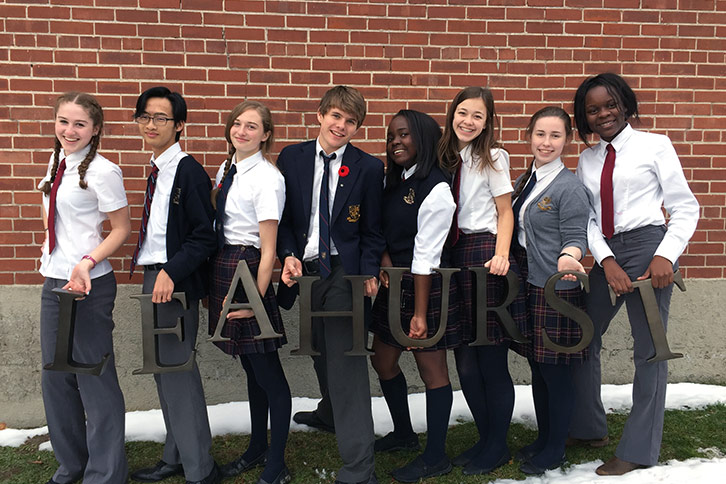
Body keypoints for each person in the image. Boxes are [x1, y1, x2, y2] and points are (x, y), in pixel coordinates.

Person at [569, 73, 699, 476]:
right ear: (584, 118)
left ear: (625, 103)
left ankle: (639, 450)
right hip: (607, 251)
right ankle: (590, 428)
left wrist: (666, 255)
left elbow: (685, 206)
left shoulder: (655, 145)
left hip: (649, 248)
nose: (603, 114)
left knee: (649, 351)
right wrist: (605, 262)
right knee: (583, 336)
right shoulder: (587, 159)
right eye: (593, 110)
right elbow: (587, 217)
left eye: (610, 104)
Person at [276, 85, 385, 484]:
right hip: (303, 270)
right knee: (319, 348)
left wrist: (368, 271)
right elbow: (285, 218)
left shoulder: (369, 168)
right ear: (321, 114)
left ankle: (359, 468)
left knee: (346, 363)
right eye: (336, 116)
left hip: (344, 270)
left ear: (357, 128)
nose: (341, 125)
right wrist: (287, 252)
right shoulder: (292, 157)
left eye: (351, 121)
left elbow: (373, 232)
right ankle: (330, 413)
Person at [128, 86, 219, 484]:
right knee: (164, 373)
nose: (151, 124)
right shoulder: (156, 169)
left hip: (173, 281)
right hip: (155, 277)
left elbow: (205, 234)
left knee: (179, 374)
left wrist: (171, 272)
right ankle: (175, 457)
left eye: (160, 118)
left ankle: (202, 470)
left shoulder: (189, 171)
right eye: (145, 116)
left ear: (179, 125)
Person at [39, 92, 131, 484]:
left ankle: (105, 474)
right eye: (63, 121)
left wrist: (87, 261)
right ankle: (71, 464)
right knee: (55, 377)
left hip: (90, 284)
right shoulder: (57, 160)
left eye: (79, 124)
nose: (69, 130)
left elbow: (122, 229)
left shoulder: (104, 171)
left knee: (94, 378)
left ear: (95, 129)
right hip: (55, 280)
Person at [438, 86, 525, 475]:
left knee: (490, 356)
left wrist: (502, 254)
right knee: (465, 358)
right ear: (452, 113)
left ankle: (497, 445)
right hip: (452, 257)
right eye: (463, 112)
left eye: (478, 116)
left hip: (484, 254)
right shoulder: (442, 157)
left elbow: (505, 212)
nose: (468, 121)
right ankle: (485, 438)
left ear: (488, 122)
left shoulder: (493, 158)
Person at [369, 110, 457, 482]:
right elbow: (382, 232)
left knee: (431, 370)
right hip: (394, 285)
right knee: (383, 362)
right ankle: (404, 434)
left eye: (404, 135)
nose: (396, 142)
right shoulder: (393, 181)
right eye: (391, 137)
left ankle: (436, 455)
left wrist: (420, 314)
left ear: (423, 137)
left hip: (426, 287)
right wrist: (386, 260)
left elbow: (426, 255)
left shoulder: (436, 187)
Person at [208, 101, 292, 484]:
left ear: (266, 134)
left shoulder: (267, 178)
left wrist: (253, 301)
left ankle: (277, 465)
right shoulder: (229, 169)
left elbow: (269, 249)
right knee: (250, 369)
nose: (241, 131)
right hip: (227, 265)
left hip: (248, 271)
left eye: (252, 126)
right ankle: (258, 446)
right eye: (237, 124)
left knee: (270, 375)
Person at [509, 107, 591, 475]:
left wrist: (568, 257)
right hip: (529, 283)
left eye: (555, 136)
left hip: (556, 288)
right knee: (539, 367)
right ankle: (544, 439)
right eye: (540, 134)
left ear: (567, 141)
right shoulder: (527, 179)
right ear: (529, 135)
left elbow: (576, 235)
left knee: (555, 371)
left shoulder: (569, 187)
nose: (546, 142)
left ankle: (556, 448)